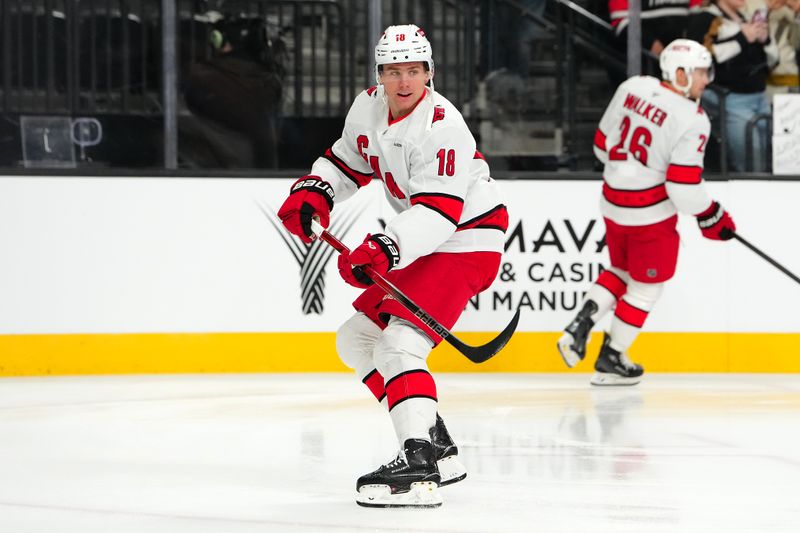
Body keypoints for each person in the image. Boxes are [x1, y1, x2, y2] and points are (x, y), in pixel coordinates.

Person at [277, 24, 509, 507]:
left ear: (430, 72)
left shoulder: (443, 125)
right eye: (393, 71)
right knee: (356, 339)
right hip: (428, 240)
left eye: (414, 71)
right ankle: (437, 445)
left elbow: (440, 214)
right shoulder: (368, 107)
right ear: (379, 74)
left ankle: (419, 463)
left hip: (467, 240)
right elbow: (345, 163)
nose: (404, 82)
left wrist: (385, 247)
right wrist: (314, 192)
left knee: (401, 345)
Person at [557, 39, 737, 386]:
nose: (706, 80)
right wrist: (712, 215)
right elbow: (683, 187)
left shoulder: (633, 85)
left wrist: (631, 175)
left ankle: (581, 322)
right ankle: (612, 357)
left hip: (612, 204)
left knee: (622, 269)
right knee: (645, 286)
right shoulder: (693, 118)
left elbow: (600, 144)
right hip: (650, 216)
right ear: (680, 73)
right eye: (700, 73)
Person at [688, 0, 778, 172]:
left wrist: (765, 40)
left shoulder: (745, 18)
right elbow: (700, 57)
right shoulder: (706, 18)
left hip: (760, 96)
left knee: (769, 158)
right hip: (732, 100)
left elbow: (773, 61)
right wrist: (741, 39)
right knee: (750, 165)